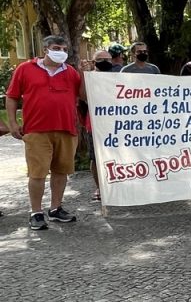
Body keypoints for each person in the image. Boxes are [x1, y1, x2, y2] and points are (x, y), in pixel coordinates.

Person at [5, 36, 83, 230]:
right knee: (37, 173)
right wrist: (13, 123)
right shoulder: (25, 69)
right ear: (46, 49)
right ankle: (36, 212)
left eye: (64, 49)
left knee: (61, 171)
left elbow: (82, 96)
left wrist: (84, 72)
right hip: (36, 130)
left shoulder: (71, 72)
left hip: (66, 129)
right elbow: (12, 96)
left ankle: (56, 209)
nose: (61, 52)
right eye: (57, 48)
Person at [84, 49, 119, 201]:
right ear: (93, 62)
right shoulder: (88, 78)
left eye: (108, 59)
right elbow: (83, 98)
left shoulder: (119, 78)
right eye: (101, 59)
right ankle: (99, 188)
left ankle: (117, 187)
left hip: (117, 125)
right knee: (96, 158)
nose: (105, 62)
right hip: (94, 125)